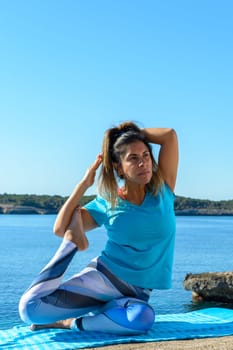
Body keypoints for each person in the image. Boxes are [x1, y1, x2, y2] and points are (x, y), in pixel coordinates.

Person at [19, 121, 178, 335]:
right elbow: (59, 228)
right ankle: (73, 243)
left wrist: (131, 133)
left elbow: (169, 136)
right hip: (103, 279)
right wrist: (84, 184)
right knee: (30, 309)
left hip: (136, 294)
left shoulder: (163, 190)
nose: (143, 163)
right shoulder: (109, 201)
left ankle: (68, 322)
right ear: (118, 167)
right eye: (133, 158)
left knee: (143, 319)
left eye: (146, 155)